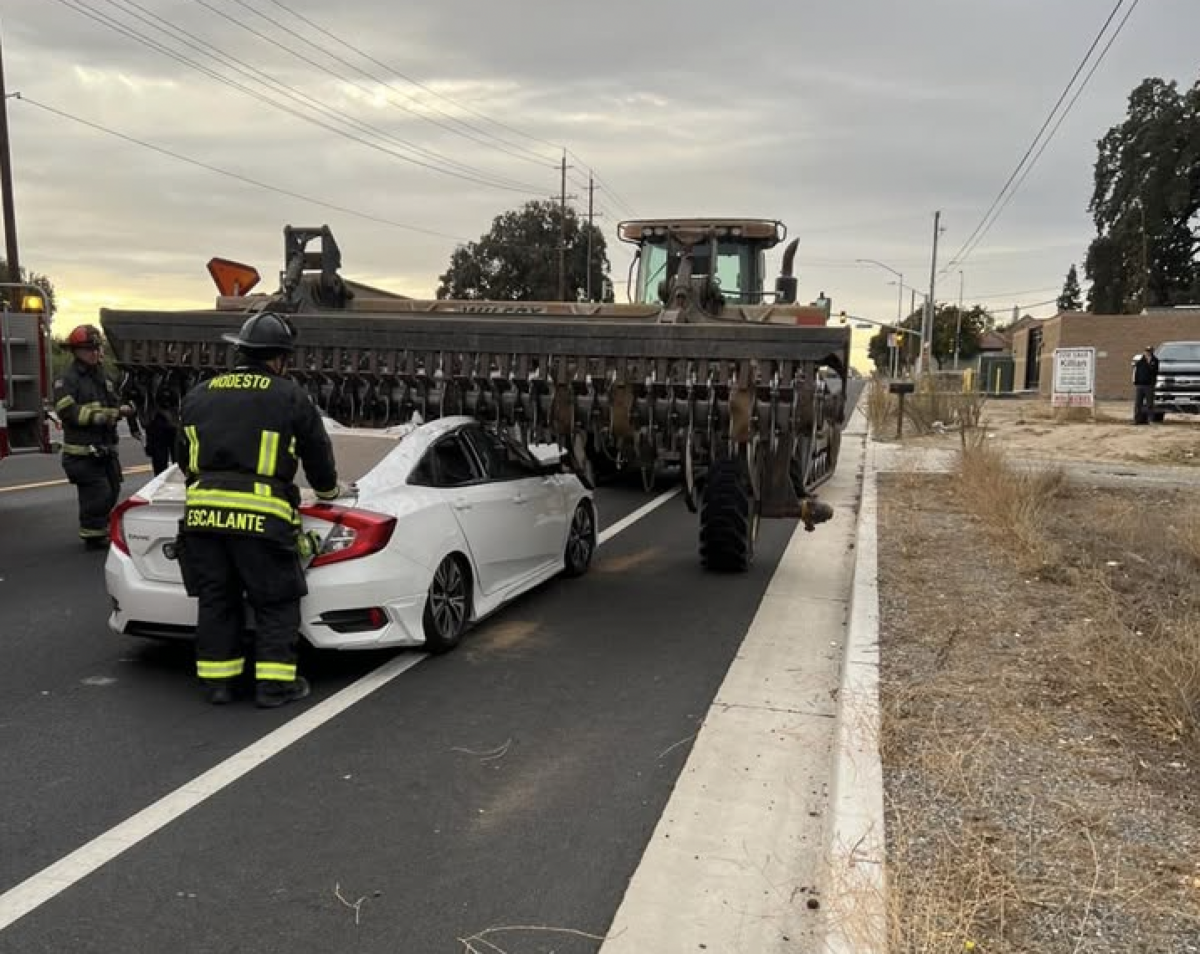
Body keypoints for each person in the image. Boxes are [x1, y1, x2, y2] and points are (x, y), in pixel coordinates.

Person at [174, 311, 343, 708]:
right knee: (275, 600)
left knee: (218, 599)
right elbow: (317, 452)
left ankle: (218, 684)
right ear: (280, 358)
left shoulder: (199, 393)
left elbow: (184, 457)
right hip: (261, 519)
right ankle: (274, 686)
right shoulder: (289, 395)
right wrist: (328, 489)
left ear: (243, 351)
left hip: (201, 516)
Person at [53, 324, 137, 549]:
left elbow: (114, 402)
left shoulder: (102, 377)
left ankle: (100, 529)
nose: (95, 352)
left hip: (105, 450)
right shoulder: (66, 380)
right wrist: (110, 414)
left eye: (97, 348)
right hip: (82, 454)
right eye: (89, 348)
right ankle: (93, 536)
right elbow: (69, 412)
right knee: (98, 493)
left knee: (113, 489)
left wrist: (125, 407)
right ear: (76, 351)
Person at [1132, 345, 1159, 425]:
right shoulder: (1140, 361)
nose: (1148, 353)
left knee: (1149, 403)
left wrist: (1149, 363)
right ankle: (1137, 420)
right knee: (1138, 403)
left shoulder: (1155, 361)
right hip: (1140, 385)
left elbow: (1155, 372)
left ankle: (1150, 420)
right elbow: (1136, 372)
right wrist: (1136, 382)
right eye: (1147, 351)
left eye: (1149, 351)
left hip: (1149, 385)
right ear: (1144, 352)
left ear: (1152, 352)